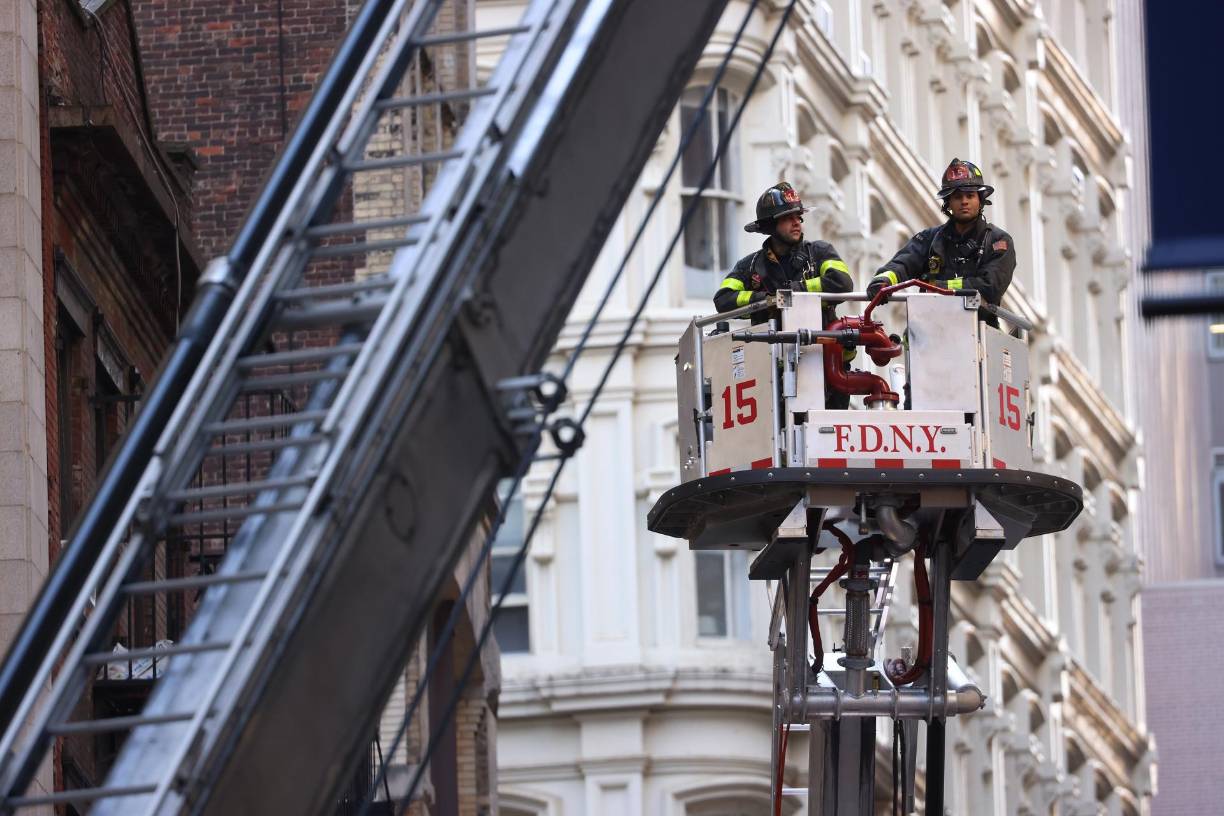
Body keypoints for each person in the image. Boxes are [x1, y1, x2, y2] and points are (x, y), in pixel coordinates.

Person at [866, 158, 1016, 327]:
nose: (964, 201)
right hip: (931, 333)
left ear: (980, 200)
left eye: (970, 195)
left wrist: (939, 287)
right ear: (948, 203)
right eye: (957, 196)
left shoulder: (997, 241)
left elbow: (990, 287)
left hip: (979, 335)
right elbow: (902, 264)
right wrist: (883, 282)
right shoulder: (930, 239)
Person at [713, 182, 853, 313]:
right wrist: (765, 300)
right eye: (787, 217)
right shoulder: (750, 265)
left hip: (817, 337)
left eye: (798, 216)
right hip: (770, 338)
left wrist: (795, 290)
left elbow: (842, 283)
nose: (796, 223)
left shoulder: (820, 252)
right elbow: (723, 299)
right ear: (770, 225)